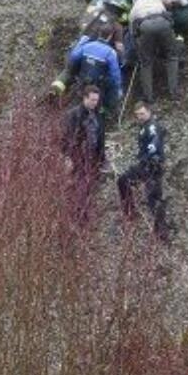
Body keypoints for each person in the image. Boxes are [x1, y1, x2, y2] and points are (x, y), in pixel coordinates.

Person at [116, 101, 168, 236]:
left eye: (142, 113)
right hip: (143, 165)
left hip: (153, 167)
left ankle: (162, 231)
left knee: (154, 199)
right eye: (138, 114)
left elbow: (155, 140)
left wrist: (149, 152)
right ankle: (129, 211)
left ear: (149, 112)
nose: (140, 116)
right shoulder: (143, 126)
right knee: (123, 180)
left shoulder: (153, 126)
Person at [129, 0, 187, 102]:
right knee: (172, 57)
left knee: (146, 63)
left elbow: (133, 34)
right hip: (163, 22)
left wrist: (140, 48)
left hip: (145, 26)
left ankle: (148, 96)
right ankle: (174, 92)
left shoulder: (133, 10)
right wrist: (182, 1)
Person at [61, 83, 106, 223]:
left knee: (90, 188)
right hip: (78, 156)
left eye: (96, 100)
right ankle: (78, 218)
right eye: (92, 100)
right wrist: (67, 157)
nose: (94, 103)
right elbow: (66, 138)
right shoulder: (73, 115)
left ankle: (84, 217)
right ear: (84, 98)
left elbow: (100, 137)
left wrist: (103, 159)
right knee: (79, 187)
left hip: (93, 157)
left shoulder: (98, 114)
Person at [58, 20, 122, 112]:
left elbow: (73, 57)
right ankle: (107, 110)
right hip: (98, 85)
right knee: (116, 89)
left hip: (82, 79)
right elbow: (115, 76)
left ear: (99, 33)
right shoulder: (110, 53)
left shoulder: (87, 46)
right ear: (110, 36)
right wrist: (117, 89)